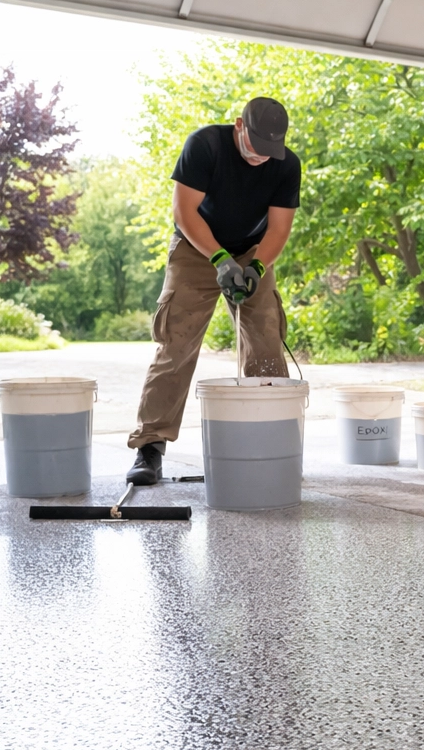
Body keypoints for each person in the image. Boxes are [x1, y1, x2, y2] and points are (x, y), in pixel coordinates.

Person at [125, 97, 301, 485]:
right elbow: (184, 212)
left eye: (270, 150)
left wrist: (256, 267)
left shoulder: (286, 165)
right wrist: (220, 259)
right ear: (239, 125)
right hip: (196, 246)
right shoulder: (205, 146)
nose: (261, 156)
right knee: (176, 342)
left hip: (253, 249)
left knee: (266, 341)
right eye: (256, 146)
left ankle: (271, 442)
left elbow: (279, 229)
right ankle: (149, 447)